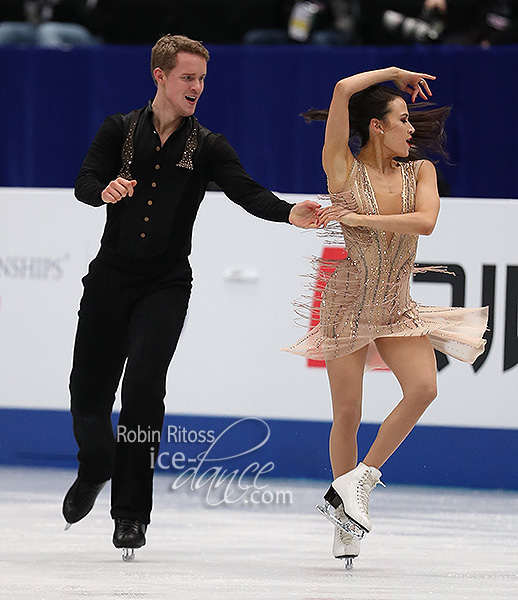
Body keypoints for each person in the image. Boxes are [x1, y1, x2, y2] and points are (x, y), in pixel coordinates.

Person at [62, 34, 320, 557]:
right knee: (87, 395)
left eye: (202, 79)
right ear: (159, 76)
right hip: (109, 278)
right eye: (188, 77)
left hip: (165, 285)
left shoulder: (208, 146)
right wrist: (104, 190)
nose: (197, 87)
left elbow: (246, 190)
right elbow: (84, 180)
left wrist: (289, 212)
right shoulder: (119, 130)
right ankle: (96, 466)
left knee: (142, 388)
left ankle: (132, 514)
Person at [283, 67, 488, 567]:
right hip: (348, 303)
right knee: (347, 414)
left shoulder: (420, 173)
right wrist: (395, 73)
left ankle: (357, 483)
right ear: (377, 126)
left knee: (423, 388)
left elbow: (426, 222)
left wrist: (357, 218)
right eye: (402, 118)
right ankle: (346, 523)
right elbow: (340, 90)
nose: (411, 127)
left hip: (396, 304)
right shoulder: (342, 169)